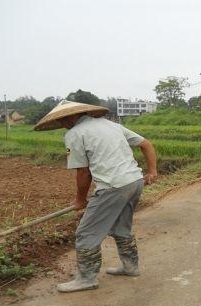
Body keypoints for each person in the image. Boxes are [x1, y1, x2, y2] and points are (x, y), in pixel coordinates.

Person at [34, 100, 158, 293]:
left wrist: (80, 200)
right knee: (121, 227)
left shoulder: (74, 134)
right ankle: (130, 267)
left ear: (71, 117)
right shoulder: (112, 125)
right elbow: (146, 144)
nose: (63, 125)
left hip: (113, 186)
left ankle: (86, 278)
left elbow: (83, 172)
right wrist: (152, 171)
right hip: (134, 182)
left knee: (86, 233)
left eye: (63, 121)